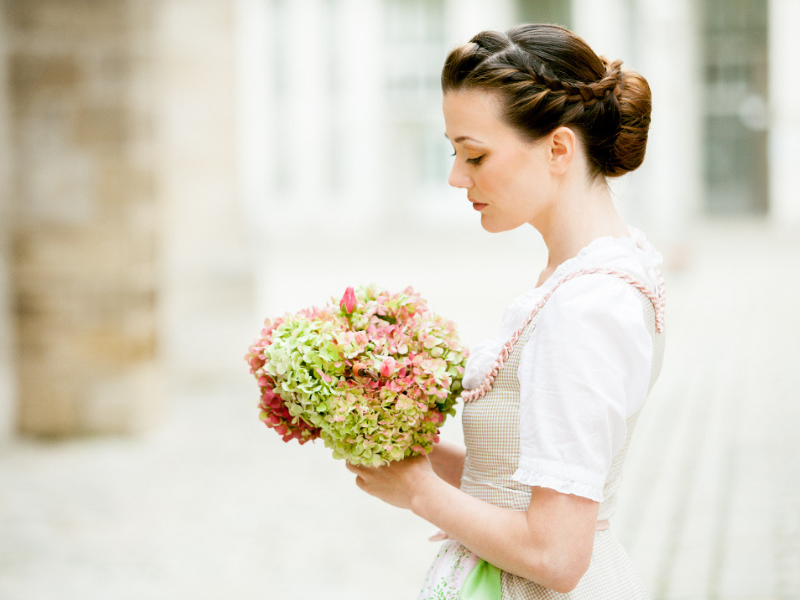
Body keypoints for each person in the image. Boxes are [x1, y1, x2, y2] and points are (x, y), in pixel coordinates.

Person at [346, 23, 665, 599]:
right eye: (454, 153)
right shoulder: (583, 278)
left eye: (475, 155)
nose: (456, 177)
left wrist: (419, 491)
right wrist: (394, 442)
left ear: (559, 149)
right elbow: (519, 476)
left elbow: (557, 554)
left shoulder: (588, 307)